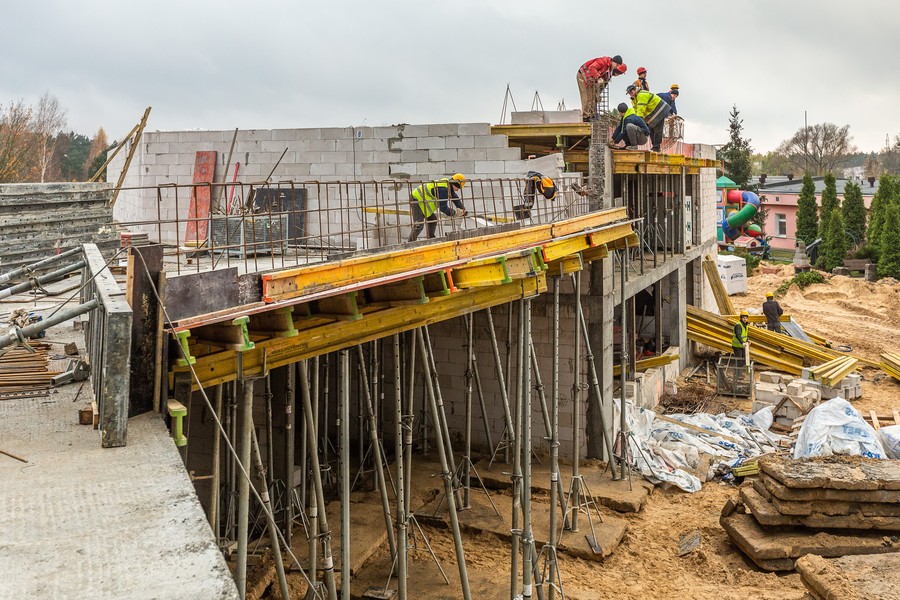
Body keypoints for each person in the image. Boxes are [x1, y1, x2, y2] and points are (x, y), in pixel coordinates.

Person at [408, 173, 467, 242]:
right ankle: (410, 243)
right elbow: (443, 207)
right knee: (419, 225)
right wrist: (454, 213)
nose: (458, 190)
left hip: (422, 201)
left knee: (433, 220)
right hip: (416, 199)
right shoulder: (443, 190)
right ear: (455, 184)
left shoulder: (447, 183)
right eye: (459, 187)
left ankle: (431, 239)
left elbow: (454, 196)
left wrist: (461, 208)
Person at [577, 55, 627, 121]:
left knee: (592, 97)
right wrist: (598, 77)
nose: (616, 66)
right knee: (586, 97)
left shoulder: (608, 71)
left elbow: (601, 86)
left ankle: (591, 115)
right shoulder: (603, 62)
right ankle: (585, 117)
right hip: (583, 76)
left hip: (591, 80)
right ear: (613, 62)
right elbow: (592, 67)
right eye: (617, 65)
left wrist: (597, 94)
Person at [626, 85, 672, 152]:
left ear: (634, 90)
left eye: (631, 93)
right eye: (629, 93)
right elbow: (636, 110)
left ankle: (656, 148)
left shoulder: (641, 95)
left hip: (660, 110)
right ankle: (655, 147)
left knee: (657, 130)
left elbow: (641, 109)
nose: (630, 95)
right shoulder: (634, 98)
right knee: (651, 129)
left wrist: (638, 121)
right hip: (654, 112)